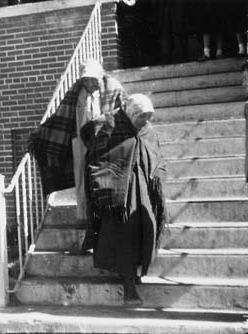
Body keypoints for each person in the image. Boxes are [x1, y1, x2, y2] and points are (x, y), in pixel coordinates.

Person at [80, 94, 167, 305]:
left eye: (148, 116)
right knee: (125, 234)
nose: (145, 120)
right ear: (131, 114)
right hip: (120, 193)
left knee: (147, 228)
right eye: (140, 116)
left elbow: (157, 157)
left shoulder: (147, 130)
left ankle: (136, 271)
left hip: (144, 190)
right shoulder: (112, 125)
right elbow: (92, 144)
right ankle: (128, 286)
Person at [28, 60, 126, 228]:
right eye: (86, 80)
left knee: (103, 177)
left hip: (104, 142)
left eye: (93, 79)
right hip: (80, 143)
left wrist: (103, 122)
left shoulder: (114, 88)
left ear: (100, 77)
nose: (89, 83)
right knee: (82, 178)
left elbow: (123, 113)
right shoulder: (76, 92)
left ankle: (105, 217)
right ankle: (85, 216)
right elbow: (61, 115)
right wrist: (40, 134)